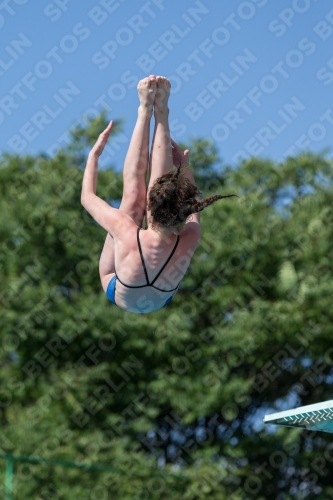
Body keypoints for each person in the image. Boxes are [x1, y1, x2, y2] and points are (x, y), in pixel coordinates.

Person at [81, 75, 236, 314]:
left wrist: (93, 156)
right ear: (184, 213)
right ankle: (161, 111)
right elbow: (190, 205)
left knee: (132, 201)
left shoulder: (126, 230)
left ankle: (146, 110)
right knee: (147, 195)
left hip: (116, 285)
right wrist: (183, 168)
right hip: (158, 297)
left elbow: (87, 197)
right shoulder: (190, 236)